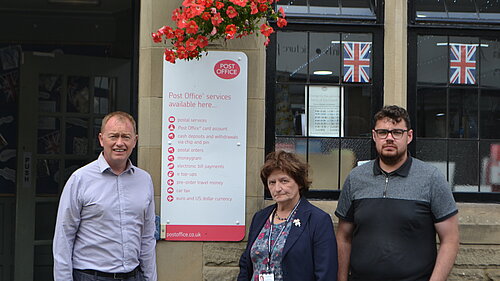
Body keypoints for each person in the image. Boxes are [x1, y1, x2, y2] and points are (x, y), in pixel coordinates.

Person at [335, 105, 459, 281]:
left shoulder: (431, 178)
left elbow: (450, 239)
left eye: (397, 132)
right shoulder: (356, 178)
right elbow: (343, 237)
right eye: (383, 132)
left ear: (409, 136)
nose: (389, 138)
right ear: (374, 136)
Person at [53, 111, 157, 281]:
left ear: (135, 141)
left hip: (133, 276)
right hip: (90, 276)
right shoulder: (80, 179)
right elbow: (64, 236)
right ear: (101, 139)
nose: (120, 143)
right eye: (113, 136)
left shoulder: (144, 180)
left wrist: (150, 278)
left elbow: (147, 236)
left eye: (126, 137)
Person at [238, 150, 338, 281]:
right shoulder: (260, 218)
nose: (277, 188)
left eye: (284, 181)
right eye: (272, 182)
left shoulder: (317, 220)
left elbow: (326, 273)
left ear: (300, 183)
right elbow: (246, 266)